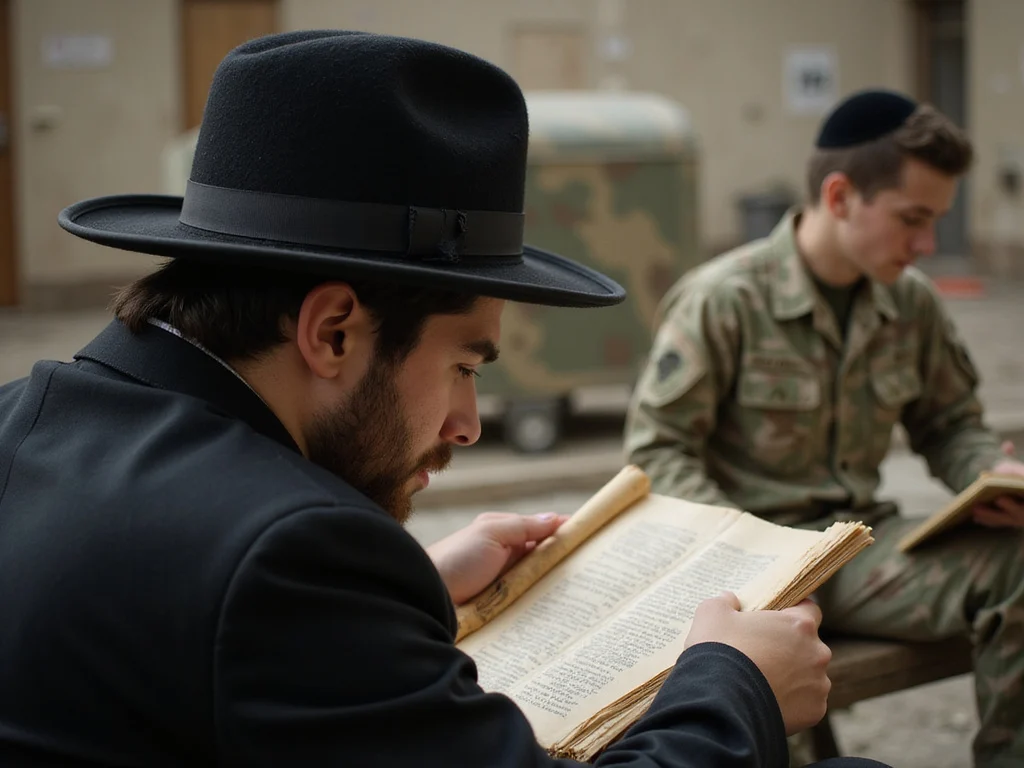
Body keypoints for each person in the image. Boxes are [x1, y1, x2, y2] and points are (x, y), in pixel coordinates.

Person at [0, 30, 889, 768]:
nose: (467, 423)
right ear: (335, 331)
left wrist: (411, 587)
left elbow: (198, 635)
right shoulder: (292, 555)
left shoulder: (22, 420)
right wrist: (736, 685)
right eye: (467, 365)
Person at [625, 87, 1024, 768]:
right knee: (770, 718)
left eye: (936, 222)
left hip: (861, 553)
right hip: (750, 574)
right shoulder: (724, 299)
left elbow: (951, 424)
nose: (927, 245)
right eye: (912, 219)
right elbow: (657, 454)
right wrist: (758, 553)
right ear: (840, 197)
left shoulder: (911, 303)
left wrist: (991, 473)